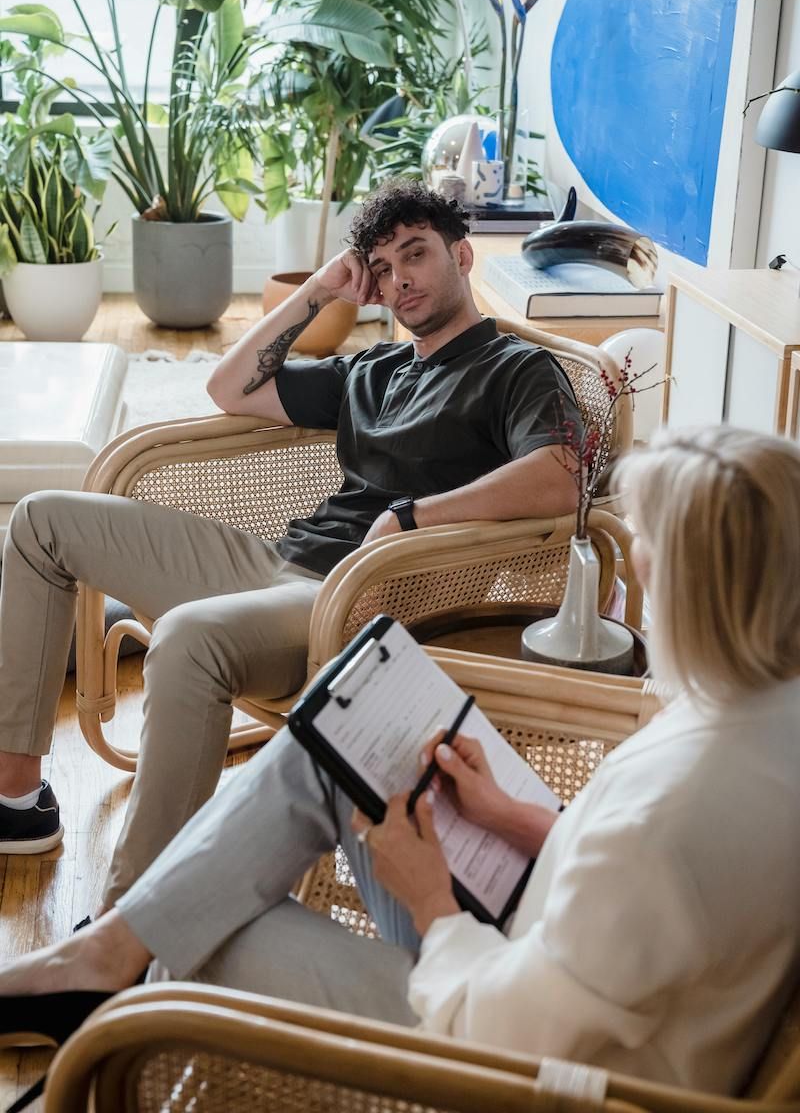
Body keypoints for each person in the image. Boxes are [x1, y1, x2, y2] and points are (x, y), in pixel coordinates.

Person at [2, 424, 800, 1098]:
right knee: (327, 751)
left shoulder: (676, 810)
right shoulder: (761, 714)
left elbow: (506, 1039)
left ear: (697, 593)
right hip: (550, 961)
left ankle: (113, 993)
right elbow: (638, 905)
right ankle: (104, 951)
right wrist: (520, 819)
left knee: (204, 931)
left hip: (517, 1069)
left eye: (649, 551)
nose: (639, 571)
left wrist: (430, 900)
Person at [0, 179, 580, 909]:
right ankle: (18, 803)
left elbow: (563, 472)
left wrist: (414, 517)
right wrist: (319, 290)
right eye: (382, 266)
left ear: (461, 256)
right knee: (42, 521)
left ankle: (133, 923)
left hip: (355, 598)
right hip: (273, 563)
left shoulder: (515, 369)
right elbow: (230, 388)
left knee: (185, 637)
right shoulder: (374, 368)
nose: (399, 278)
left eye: (416, 254)